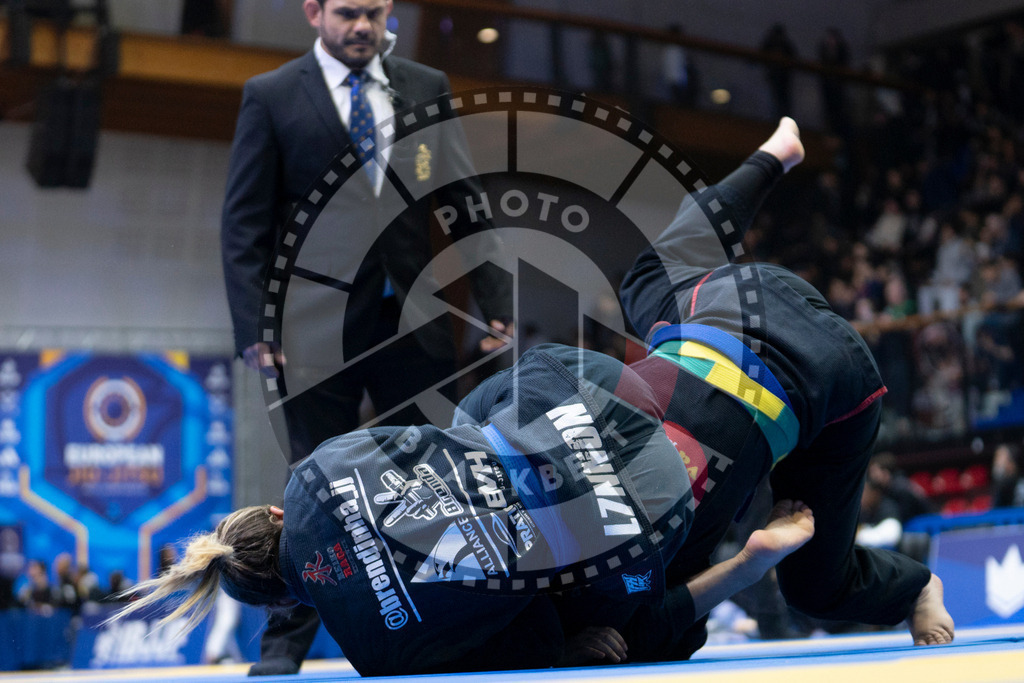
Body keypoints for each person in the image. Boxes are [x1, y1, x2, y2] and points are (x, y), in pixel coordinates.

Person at [116, 119, 954, 673]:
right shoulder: (315, 476)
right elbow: (423, 438)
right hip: (731, 301)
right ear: (264, 515)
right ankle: (773, 155)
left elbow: (571, 640)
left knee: (785, 591)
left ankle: (884, 580)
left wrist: (744, 565)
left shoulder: (384, 649)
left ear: (293, 598)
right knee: (643, 278)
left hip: (829, 389)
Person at [220, 0, 512, 673]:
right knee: (310, 486)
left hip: (412, 320)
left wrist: (497, 298)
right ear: (314, 12)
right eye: (348, 12)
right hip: (309, 328)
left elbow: (461, 195)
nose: (363, 26)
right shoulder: (269, 96)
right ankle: (282, 650)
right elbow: (244, 227)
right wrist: (256, 324)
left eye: (375, 12)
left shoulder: (424, 86)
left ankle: (446, 625)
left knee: (433, 477)